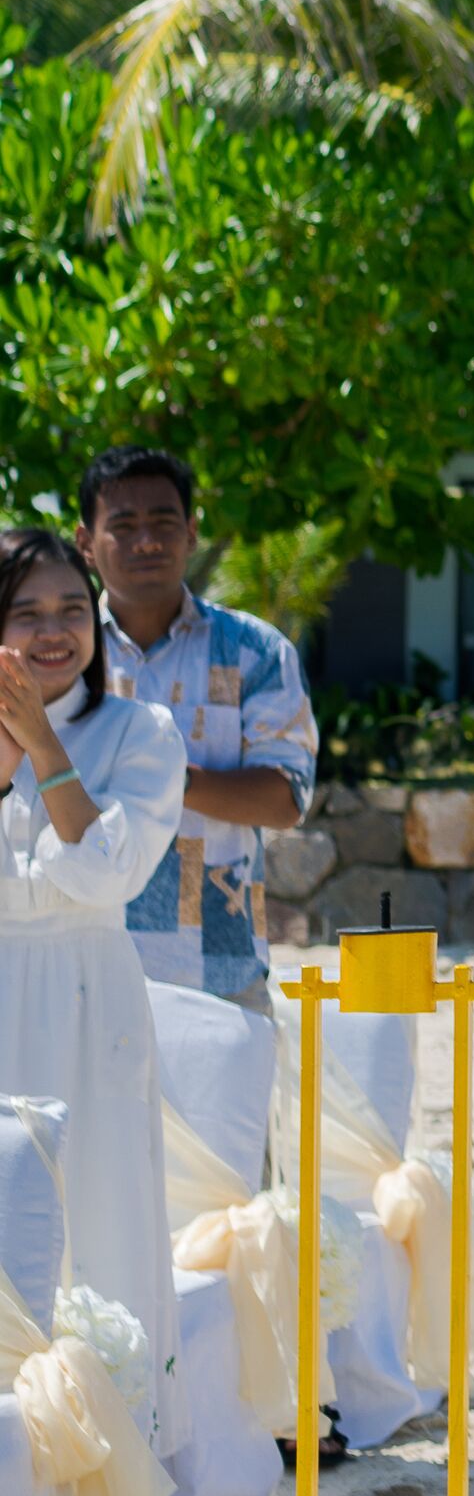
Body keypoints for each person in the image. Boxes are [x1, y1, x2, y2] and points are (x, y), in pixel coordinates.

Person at [0, 527, 187, 1443]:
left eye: (72, 609)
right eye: (26, 612)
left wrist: (42, 747)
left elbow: (110, 872)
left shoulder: (141, 730)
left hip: (89, 992)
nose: (52, 631)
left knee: (101, 1206)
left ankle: (118, 1459)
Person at [78, 448, 317, 1000]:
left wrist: (164, 775)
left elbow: (285, 798)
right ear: (85, 542)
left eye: (163, 522)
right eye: (123, 525)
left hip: (219, 967)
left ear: (191, 531)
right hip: (81, 972)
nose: (146, 541)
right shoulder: (57, 655)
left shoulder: (255, 651)